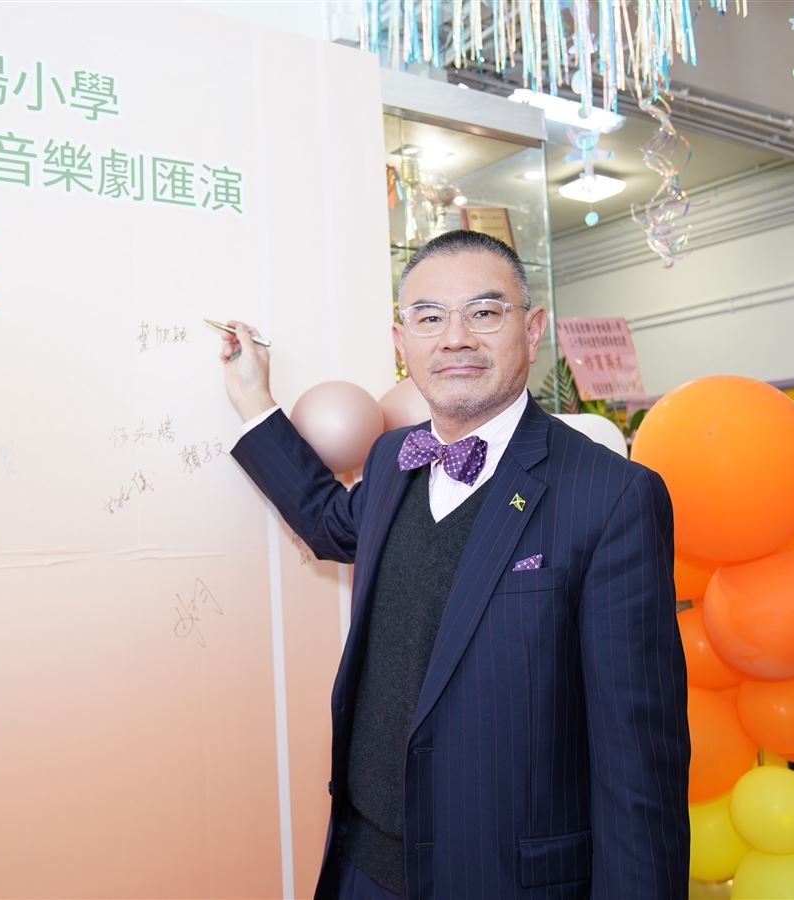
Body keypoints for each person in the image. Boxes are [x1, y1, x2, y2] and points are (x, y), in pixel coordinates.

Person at [220, 230, 689, 900]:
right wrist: (252, 401)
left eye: (484, 313)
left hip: (505, 879)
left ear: (532, 329)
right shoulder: (392, 459)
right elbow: (330, 522)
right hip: (363, 868)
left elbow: (638, 760)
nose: (455, 339)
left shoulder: (610, 495)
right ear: (401, 340)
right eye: (429, 318)